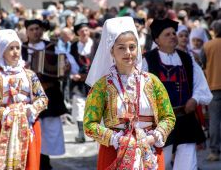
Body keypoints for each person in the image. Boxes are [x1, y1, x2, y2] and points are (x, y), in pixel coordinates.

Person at [84, 16, 176, 170]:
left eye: (132, 47)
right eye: (121, 47)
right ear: (111, 51)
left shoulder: (152, 82)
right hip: (114, 152)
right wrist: (116, 139)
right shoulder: (102, 86)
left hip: (150, 151)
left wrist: (154, 137)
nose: (128, 52)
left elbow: (168, 116)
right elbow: (89, 125)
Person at [143, 18, 212, 170]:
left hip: (185, 119)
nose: (173, 36)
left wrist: (195, 99)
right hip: (160, 123)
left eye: (174, 33)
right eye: (167, 34)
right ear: (157, 40)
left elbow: (201, 84)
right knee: (160, 163)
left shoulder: (187, 58)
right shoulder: (147, 61)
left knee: (187, 163)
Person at [0, 29, 48, 170]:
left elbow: (43, 98)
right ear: (2, 51)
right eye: (11, 48)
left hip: (28, 123)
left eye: (17, 47)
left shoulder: (29, 74)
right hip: (3, 124)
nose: (15, 51)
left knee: (29, 163)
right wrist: (3, 113)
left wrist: (32, 109)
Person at [22, 19, 68, 170]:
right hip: (27, 96)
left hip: (49, 95)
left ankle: (44, 163)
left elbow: (66, 64)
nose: (36, 32)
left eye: (38, 29)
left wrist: (65, 67)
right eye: (32, 29)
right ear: (27, 32)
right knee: (31, 130)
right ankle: (34, 162)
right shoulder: (20, 49)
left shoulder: (52, 47)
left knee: (47, 131)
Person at [70, 22, 95, 143]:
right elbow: (71, 62)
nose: (85, 33)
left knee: (96, 106)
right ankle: (81, 133)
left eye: (86, 30)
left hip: (95, 82)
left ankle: (97, 133)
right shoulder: (74, 46)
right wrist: (73, 74)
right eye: (82, 31)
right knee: (79, 105)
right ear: (77, 34)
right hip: (79, 82)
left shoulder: (96, 44)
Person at [203, 19, 221, 161]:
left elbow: (202, 63)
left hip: (214, 86)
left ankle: (214, 151)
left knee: (214, 120)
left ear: (214, 31)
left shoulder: (208, 45)